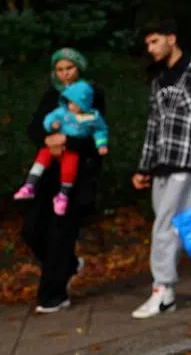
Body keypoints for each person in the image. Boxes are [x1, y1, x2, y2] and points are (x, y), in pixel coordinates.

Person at [131, 20, 191, 319]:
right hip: (163, 159)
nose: (150, 49)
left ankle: (162, 291)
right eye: (147, 44)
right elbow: (153, 125)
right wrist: (144, 166)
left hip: (188, 159)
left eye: (155, 42)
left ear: (171, 39)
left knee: (163, 226)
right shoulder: (159, 78)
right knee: (175, 226)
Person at [19, 48, 107, 314]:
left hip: (76, 176)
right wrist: (48, 139)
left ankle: (53, 295)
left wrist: (67, 141)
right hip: (48, 176)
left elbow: (97, 134)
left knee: (60, 234)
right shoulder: (51, 96)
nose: (65, 74)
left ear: (79, 68)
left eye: (69, 68)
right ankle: (67, 265)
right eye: (60, 69)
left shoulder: (92, 94)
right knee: (32, 231)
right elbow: (35, 128)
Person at [14, 79, 109, 216]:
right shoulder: (62, 112)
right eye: (69, 102)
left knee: (69, 169)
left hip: (71, 149)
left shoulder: (93, 117)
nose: (70, 106)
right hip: (54, 144)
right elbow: (49, 118)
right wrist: (51, 125)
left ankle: (63, 195)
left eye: (74, 103)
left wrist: (101, 144)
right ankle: (29, 185)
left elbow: (101, 130)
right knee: (42, 158)